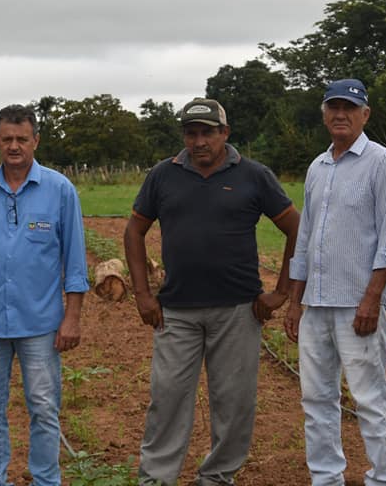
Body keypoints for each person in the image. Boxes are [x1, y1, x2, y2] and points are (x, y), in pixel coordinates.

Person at [125, 97, 301, 485]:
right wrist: (142, 295)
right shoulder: (162, 175)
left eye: (208, 132)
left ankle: (218, 477)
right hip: (176, 311)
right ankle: (156, 478)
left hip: (238, 311)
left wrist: (281, 291)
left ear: (225, 133)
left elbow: (295, 229)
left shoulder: (254, 176)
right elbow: (134, 230)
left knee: (234, 403)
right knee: (167, 399)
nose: (200, 141)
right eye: (192, 133)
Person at [0, 104, 88, 486]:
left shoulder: (60, 191)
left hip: (41, 324)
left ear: (35, 140)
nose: (14, 146)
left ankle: (46, 479)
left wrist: (71, 317)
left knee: (43, 408)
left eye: (21, 139)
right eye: (6, 139)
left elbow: (74, 262)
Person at [284, 79, 386, 486]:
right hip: (315, 305)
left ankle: (381, 479)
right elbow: (305, 239)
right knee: (316, 399)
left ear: (365, 114)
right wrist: (294, 302)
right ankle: (326, 478)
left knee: (369, 399)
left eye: (349, 108)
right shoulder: (318, 167)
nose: (340, 114)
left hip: (358, 305)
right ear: (323, 114)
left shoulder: (381, 161)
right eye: (333, 107)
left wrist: (371, 300)